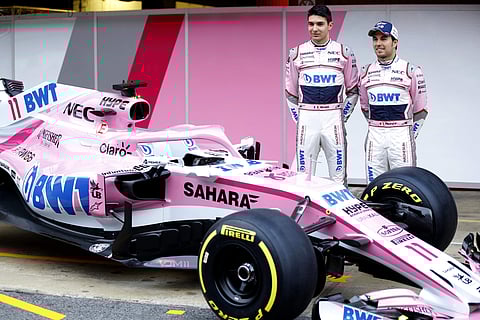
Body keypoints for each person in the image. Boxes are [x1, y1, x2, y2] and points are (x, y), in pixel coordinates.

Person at [285, 5, 359, 186]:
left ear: (330, 25)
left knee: (338, 177)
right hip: (307, 119)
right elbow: (290, 93)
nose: (314, 29)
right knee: (303, 177)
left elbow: (353, 90)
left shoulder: (344, 52)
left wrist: (343, 117)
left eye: (320, 24)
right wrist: (300, 118)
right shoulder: (296, 53)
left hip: (333, 118)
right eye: (310, 24)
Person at [359, 21, 428, 183]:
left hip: (401, 135)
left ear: (395, 42)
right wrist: (377, 125)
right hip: (375, 135)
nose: (378, 43)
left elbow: (421, 110)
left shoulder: (411, 70)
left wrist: (409, 134)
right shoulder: (366, 71)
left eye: (384, 38)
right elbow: (364, 106)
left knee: (405, 183)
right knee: (374, 184)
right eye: (375, 39)